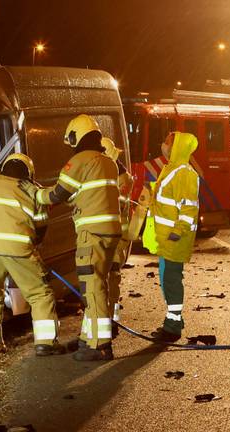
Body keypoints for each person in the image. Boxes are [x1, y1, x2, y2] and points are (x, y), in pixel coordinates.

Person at [32, 114, 121, 361]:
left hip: (91, 234)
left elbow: (57, 195)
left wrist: (34, 195)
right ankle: (88, 336)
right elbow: (88, 195)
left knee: (92, 289)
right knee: (101, 285)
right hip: (111, 232)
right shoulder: (107, 162)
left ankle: (99, 345)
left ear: (77, 136)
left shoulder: (79, 161)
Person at [0, 153, 65, 356]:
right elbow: (41, 225)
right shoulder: (33, 191)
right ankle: (46, 343)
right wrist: (35, 249)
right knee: (39, 293)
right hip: (18, 248)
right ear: (29, 174)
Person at [142, 131, 200, 343]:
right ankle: (173, 321)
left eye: (167, 142)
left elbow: (188, 207)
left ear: (177, 147)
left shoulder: (184, 173)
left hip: (175, 238)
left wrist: (178, 231)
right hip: (166, 238)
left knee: (172, 281)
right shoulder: (171, 169)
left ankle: (173, 326)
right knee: (168, 280)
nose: (163, 145)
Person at [100, 137, 134, 331]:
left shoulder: (115, 178)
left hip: (111, 237)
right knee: (110, 279)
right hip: (115, 236)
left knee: (109, 281)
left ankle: (109, 324)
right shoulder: (120, 175)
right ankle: (109, 321)